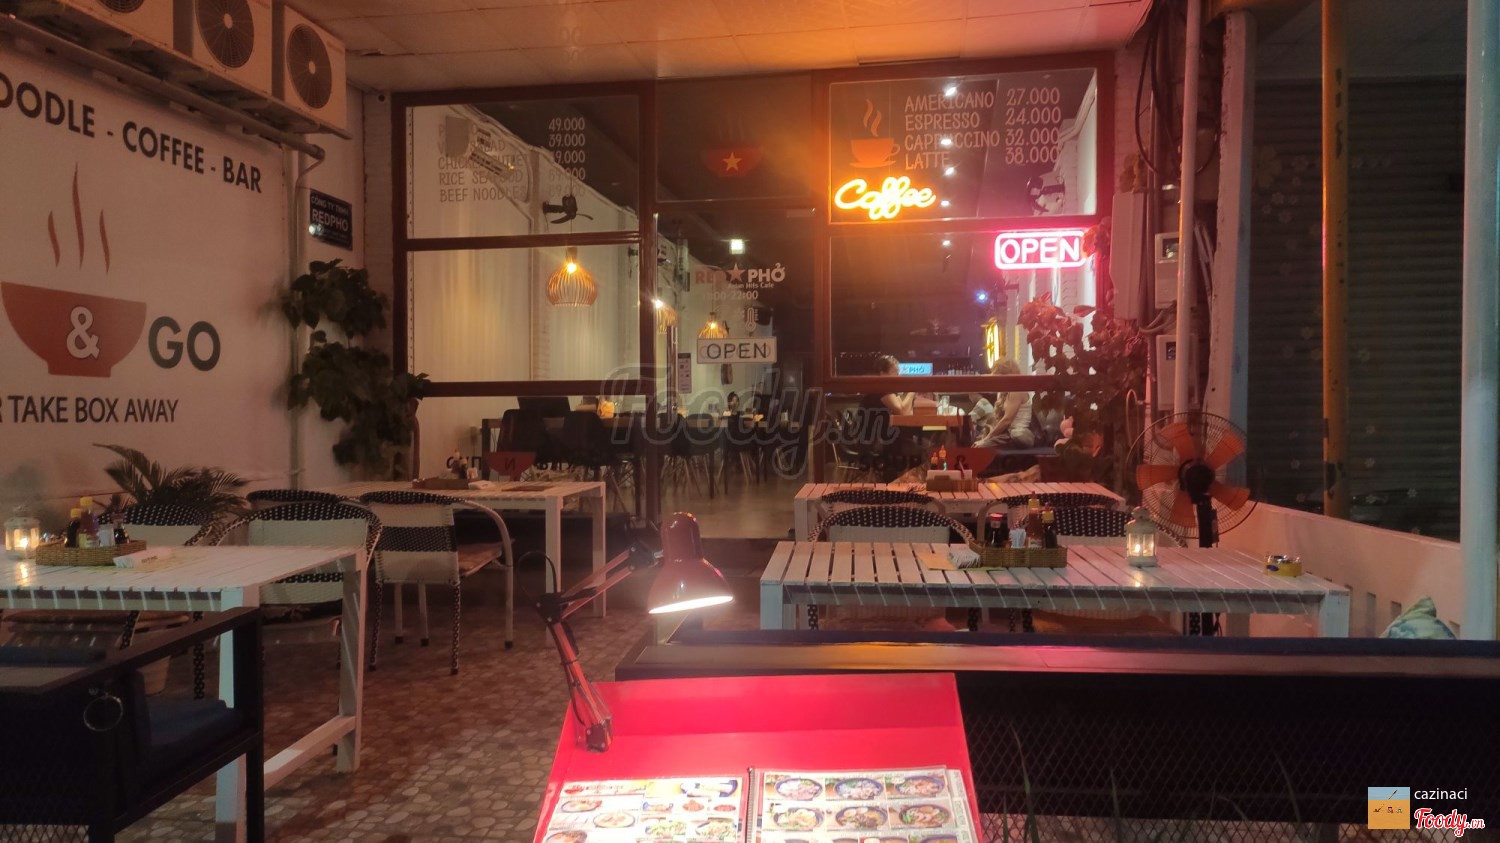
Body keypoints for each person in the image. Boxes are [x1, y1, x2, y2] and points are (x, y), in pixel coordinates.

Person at [975, 358, 1035, 449]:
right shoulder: (1003, 392)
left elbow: (1007, 420)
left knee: (981, 447)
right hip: (1006, 434)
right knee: (977, 444)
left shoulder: (1016, 390)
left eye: (998, 378)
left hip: (1016, 436)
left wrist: (986, 439)